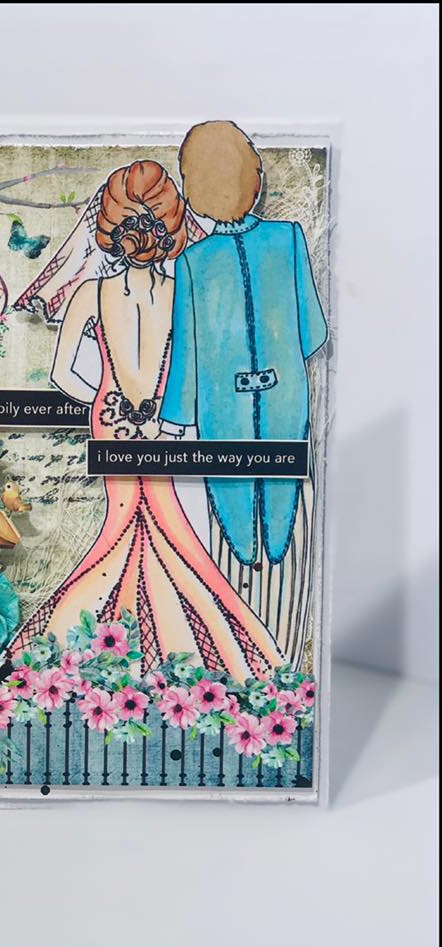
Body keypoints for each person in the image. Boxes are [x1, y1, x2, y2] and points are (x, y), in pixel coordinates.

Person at [9, 160, 283, 683]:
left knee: (126, 534)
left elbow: (64, 373)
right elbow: (200, 371)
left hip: (111, 422)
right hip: (162, 426)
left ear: (111, 230)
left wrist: (108, 402)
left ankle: (79, 648)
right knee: (168, 534)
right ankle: (210, 653)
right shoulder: (182, 292)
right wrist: (162, 413)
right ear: (171, 228)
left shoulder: (92, 292)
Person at [160, 122, 329, 665]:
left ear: (191, 187)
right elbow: (314, 334)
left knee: (234, 524)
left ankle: (247, 647)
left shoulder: (192, 262)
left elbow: (185, 350)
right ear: (254, 175)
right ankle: (286, 644)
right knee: (286, 519)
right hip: (286, 401)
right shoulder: (289, 240)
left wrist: (174, 418)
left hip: (221, 410)